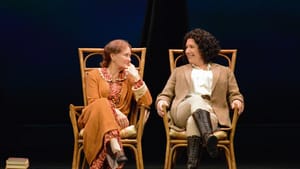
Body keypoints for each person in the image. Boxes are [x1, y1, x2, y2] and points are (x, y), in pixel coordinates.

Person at [156, 28, 244, 169]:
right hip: (182, 111)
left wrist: (237, 101)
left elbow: (235, 94)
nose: (187, 51)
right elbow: (165, 94)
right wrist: (161, 102)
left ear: (203, 48)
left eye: (191, 47)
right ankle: (207, 135)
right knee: (196, 99)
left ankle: (192, 164)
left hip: (212, 115)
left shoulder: (224, 71)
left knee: (193, 121)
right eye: (186, 47)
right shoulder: (179, 71)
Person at [78, 39, 153, 169]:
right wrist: (116, 111)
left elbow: (147, 102)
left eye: (130, 55)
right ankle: (116, 148)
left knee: (104, 106)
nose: (130, 59)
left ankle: (113, 147)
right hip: (93, 119)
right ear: (112, 56)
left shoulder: (129, 77)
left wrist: (137, 79)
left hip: (118, 123)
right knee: (101, 102)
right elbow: (92, 102)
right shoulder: (94, 74)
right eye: (126, 55)